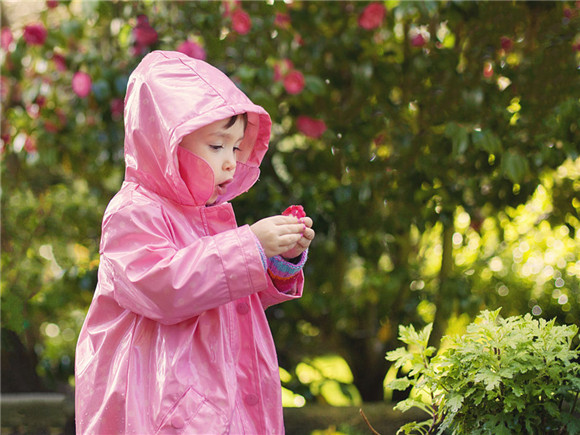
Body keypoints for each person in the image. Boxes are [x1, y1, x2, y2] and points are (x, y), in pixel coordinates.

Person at [75, 50, 315, 434]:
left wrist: (277, 259)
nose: (230, 163)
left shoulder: (211, 215)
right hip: (163, 406)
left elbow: (228, 296)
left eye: (236, 149)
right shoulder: (133, 211)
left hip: (224, 397)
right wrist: (249, 244)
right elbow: (163, 288)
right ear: (164, 142)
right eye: (217, 146)